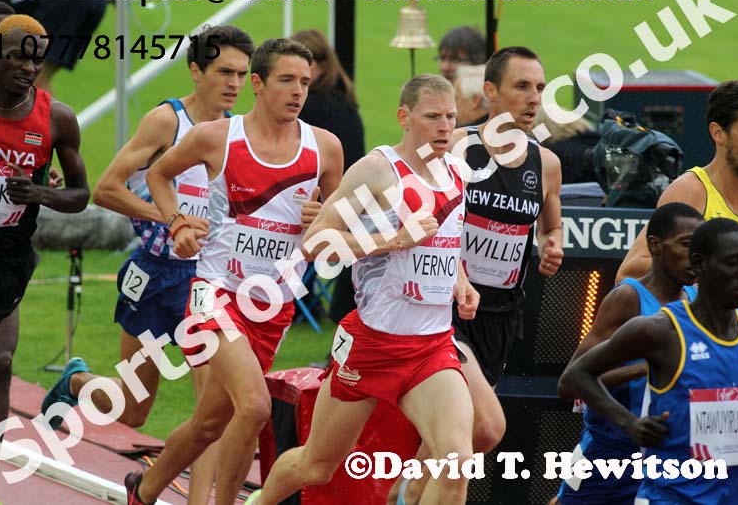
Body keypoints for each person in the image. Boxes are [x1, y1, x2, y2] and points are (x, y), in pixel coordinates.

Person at [123, 38, 344, 505]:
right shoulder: (215, 138)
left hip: (274, 302)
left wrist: (322, 218)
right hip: (215, 292)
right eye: (286, 80)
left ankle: (142, 491)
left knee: (209, 423)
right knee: (256, 406)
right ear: (258, 85)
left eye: (305, 82)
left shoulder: (324, 149)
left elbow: (333, 236)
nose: (298, 91)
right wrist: (177, 220)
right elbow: (159, 175)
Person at [40, 25, 253, 505]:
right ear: (196, 71)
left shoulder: (235, 132)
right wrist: (172, 217)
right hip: (155, 274)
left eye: (242, 74)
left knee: (210, 410)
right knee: (134, 409)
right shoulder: (166, 122)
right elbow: (107, 189)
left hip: (206, 283)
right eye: (224, 71)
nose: (234, 84)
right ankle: (75, 380)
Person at [245, 73, 479, 505]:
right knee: (317, 464)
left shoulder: (456, 172)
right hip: (372, 345)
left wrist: (461, 282)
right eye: (433, 117)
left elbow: (449, 239)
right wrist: (393, 240)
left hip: (431, 345)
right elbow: (315, 243)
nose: (445, 127)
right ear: (404, 118)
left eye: (450, 116)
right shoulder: (378, 170)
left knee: (457, 462)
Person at [391, 45, 564, 505]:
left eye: (540, 89)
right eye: (521, 87)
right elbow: (411, 202)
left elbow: (552, 224)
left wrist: (553, 244)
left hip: (501, 318)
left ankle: (401, 494)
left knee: (458, 437)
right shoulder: (459, 150)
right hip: (449, 311)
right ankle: (403, 493)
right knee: (486, 427)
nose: (533, 98)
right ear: (491, 92)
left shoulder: (545, 164)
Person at [0, 14, 89, 505]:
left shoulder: (57, 118)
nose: (29, 67)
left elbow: (80, 194)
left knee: (1, 364)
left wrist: (38, 194)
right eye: (18, 56)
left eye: (37, 58)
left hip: (8, 260)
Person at [561, 218, 738, 505]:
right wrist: (629, 423)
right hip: (631, 466)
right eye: (734, 262)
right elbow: (573, 378)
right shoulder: (658, 327)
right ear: (700, 264)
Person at [555, 202, 704, 505]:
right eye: (685, 245)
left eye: (700, 247)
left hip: (665, 456)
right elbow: (569, 385)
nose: (694, 256)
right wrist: (647, 368)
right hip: (607, 455)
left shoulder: (694, 300)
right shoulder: (628, 297)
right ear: (655, 246)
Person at [616, 79, 738, 308]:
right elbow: (627, 273)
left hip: (729, 335)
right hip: (684, 336)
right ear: (719, 134)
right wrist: (719, 257)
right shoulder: (690, 192)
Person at [289, 28, 365, 326]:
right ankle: (305, 298)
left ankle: (289, 296)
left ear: (317, 65)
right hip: (359, 200)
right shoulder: (344, 98)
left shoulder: (311, 107)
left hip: (336, 203)